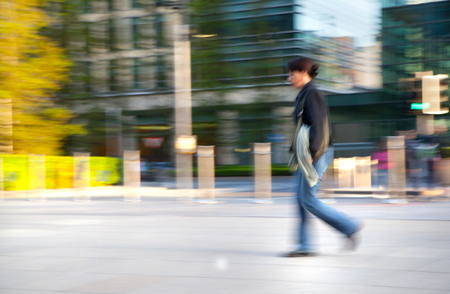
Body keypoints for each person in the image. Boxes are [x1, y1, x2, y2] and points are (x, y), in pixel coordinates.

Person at [285, 56, 362, 257]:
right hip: (310, 153)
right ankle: (305, 246)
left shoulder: (313, 93)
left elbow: (319, 127)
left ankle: (349, 226)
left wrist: (313, 157)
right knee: (300, 200)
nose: (288, 78)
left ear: (303, 73)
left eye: (291, 74)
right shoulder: (304, 94)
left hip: (314, 152)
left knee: (308, 200)